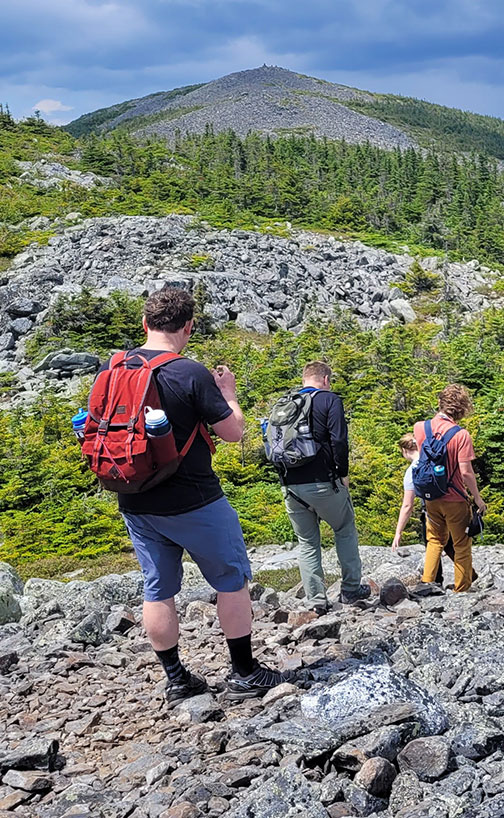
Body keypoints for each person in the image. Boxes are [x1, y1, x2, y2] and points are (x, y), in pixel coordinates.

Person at [108, 287, 287, 703]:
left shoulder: (112, 368)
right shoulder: (188, 372)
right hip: (195, 499)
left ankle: (176, 679)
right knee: (231, 580)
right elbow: (233, 433)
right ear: (188, 327)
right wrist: (228, 395)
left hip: (134, 496)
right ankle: (244, 671)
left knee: (157, 589)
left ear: (144, 324)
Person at [276, 361, 369, 609]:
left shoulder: (286, 403)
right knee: (344, 528)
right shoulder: (329, 400)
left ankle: (316, 600)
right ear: (326, 380)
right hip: (323, 483)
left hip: (291, 485)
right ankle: (350, 589)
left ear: (305, 378)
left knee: (307, 542)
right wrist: (343, 473)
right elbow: (339, 440)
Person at [412, 384, 487, 592]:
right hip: (454, 498)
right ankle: (462, 589)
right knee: (461, 543)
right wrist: (478, 499)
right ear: (463, 408)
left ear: (440, 403)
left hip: (430, 496)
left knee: (434, 540)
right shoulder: (461, 435)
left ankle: (427, 584)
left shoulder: (420, 428)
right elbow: (465, 472)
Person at [391, 433, 454, 583]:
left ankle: (434, 581)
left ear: (405, 450)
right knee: (450, 544)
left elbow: (407, 505)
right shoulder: (435, 460)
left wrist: (398, 532)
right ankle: (468, 574)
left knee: (432, 544)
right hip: (450, 506)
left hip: (430, 513)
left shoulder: (413, 470)